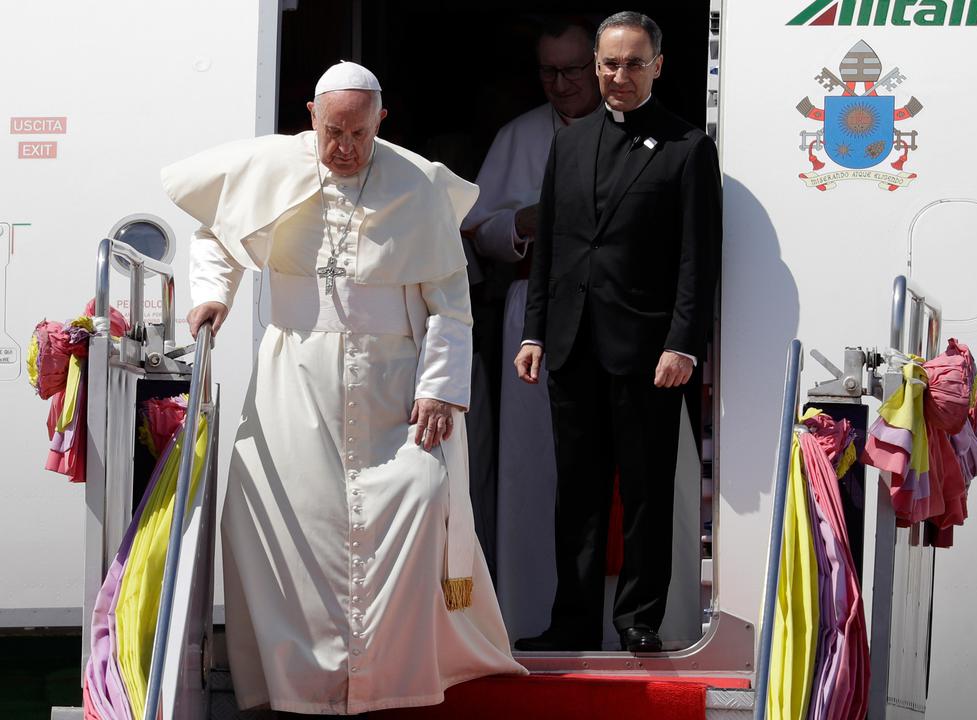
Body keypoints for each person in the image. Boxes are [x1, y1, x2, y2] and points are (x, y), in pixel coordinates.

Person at [163, 61, 525, 714]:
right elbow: (216, 231)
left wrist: (440, 388)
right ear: (311, 115)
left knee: (419, 497)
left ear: (380, 121)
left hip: (393, 389)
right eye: (334, 132)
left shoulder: (416, 186)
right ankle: (302, 688)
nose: (345, 149)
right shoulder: (272, 167)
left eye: (360, 133)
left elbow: (450, 300)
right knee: (266, 515)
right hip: (292, 384)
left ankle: (390, 683)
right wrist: (214, 296)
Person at [514, 12, 721, 653]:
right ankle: (572, 621)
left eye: (633, 63)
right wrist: (533, 332)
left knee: (645, 492)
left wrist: (683, 342)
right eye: (608, 63)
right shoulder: (569, 144)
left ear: (658, 65)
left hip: (648, 352)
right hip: (573, 346)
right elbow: (550, 247)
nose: (617, 76)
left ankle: (639, 620)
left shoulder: (688, 148)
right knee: (575, 494)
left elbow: (698, 257)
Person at [461, 18, 601, 642]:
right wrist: (524, 221)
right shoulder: (518, 135)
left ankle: (614, 623)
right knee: (530, 465)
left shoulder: (645, 136)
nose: (562, 84)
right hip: (531, 309)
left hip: (613, 315)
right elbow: (476, 226)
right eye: (550, 72)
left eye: (574, 70)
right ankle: (526, 613)